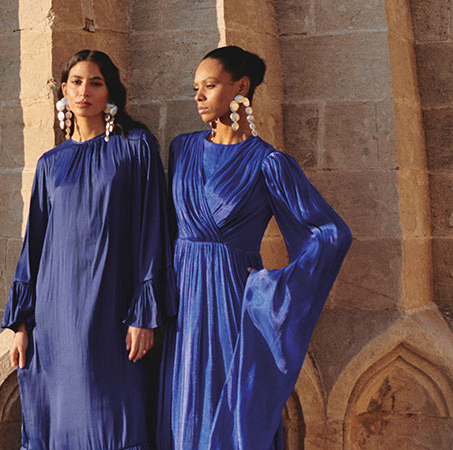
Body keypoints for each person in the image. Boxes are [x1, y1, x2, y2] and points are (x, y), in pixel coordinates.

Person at [157, 46, 352, 450]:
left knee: (230, 410)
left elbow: (331, 234)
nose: (198, 97)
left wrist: (269, 287)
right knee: (181, 409)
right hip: (180, 299)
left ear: (241, 87)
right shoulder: (182, 149)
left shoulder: (269, 163)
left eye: (209, 86)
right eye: (196, 87)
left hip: (231, 299)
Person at [2, 49, 175, 450]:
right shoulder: (51, 163)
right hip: (55, 311)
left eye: (96, 82)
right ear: (64, 90)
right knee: (60, 414)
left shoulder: (136, 148)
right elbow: (35, 245)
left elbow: (153, 227)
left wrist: (144, 314)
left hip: (113, 308)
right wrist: (22, 325)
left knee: (115, 410)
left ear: (110, 91)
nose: (85, 92)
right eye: (76, 82)